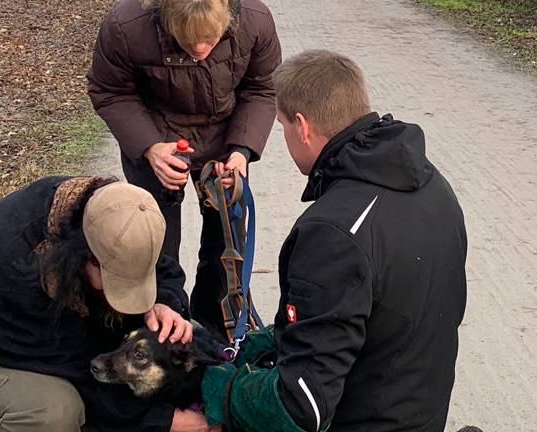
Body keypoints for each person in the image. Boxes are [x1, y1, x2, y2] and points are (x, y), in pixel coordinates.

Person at [201, 50, 469, 432]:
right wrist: (278, 338)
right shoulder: (432, 184)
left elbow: (301, 407)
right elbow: (371, 311)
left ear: (302, 126)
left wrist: (223, 389)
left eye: (282, 126)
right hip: (422, 412)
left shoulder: (332, 232)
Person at [0, 176, 213, 431]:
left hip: (48, 350)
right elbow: (77, 369)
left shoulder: (120, 218)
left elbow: (164, 270)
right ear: (84, 256)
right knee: (55, 410)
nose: (127, 294)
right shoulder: (9, 265)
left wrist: (165, 303)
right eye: (117, 282)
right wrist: (164, 421)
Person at [86, 0, 282, 340]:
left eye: (210, 39)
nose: (201, 50)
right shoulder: (126, 25)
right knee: (153, 239)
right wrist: (149, 147)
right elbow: (110, 90)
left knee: (226, 243)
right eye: (189, 42)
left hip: (224, 136)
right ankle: (160, 328)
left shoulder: (255, 19)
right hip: (156, 135)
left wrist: (242, 151)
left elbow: (261, 88)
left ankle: (218, 330)